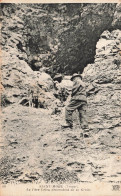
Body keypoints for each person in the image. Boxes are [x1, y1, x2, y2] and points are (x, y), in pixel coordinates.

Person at [62, 73, 89, 137]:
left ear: (75, 77)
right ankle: (85, 130)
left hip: (77, 98)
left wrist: (72, 96)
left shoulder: (77, 81)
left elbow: (74, 90)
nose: (73, 80)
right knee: (82, 114)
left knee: (68, 108)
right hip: (84, 100)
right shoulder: (83, 83)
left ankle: (69, 123)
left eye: (73, 79)